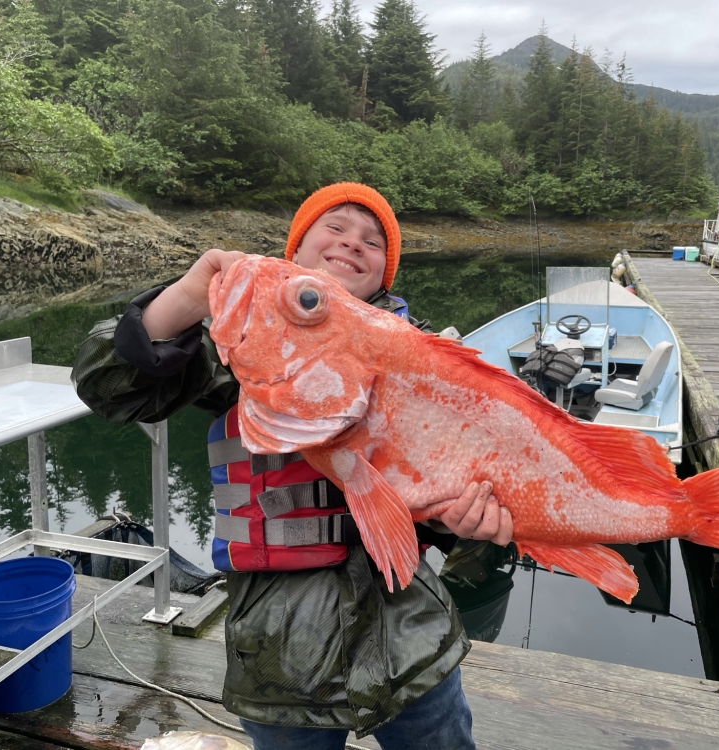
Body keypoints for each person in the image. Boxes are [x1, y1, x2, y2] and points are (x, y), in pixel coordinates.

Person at [71, 182, 514, 750]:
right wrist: (187, 296)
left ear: (386, 274)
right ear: (296, 251)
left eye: (373, 240)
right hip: (278, 645)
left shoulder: (419, 364)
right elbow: (106, 387)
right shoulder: (248, 347)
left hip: (407, 631)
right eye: (334, 227)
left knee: (440, 734)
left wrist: (464, 527)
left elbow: (442, 506)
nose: (353, 242)